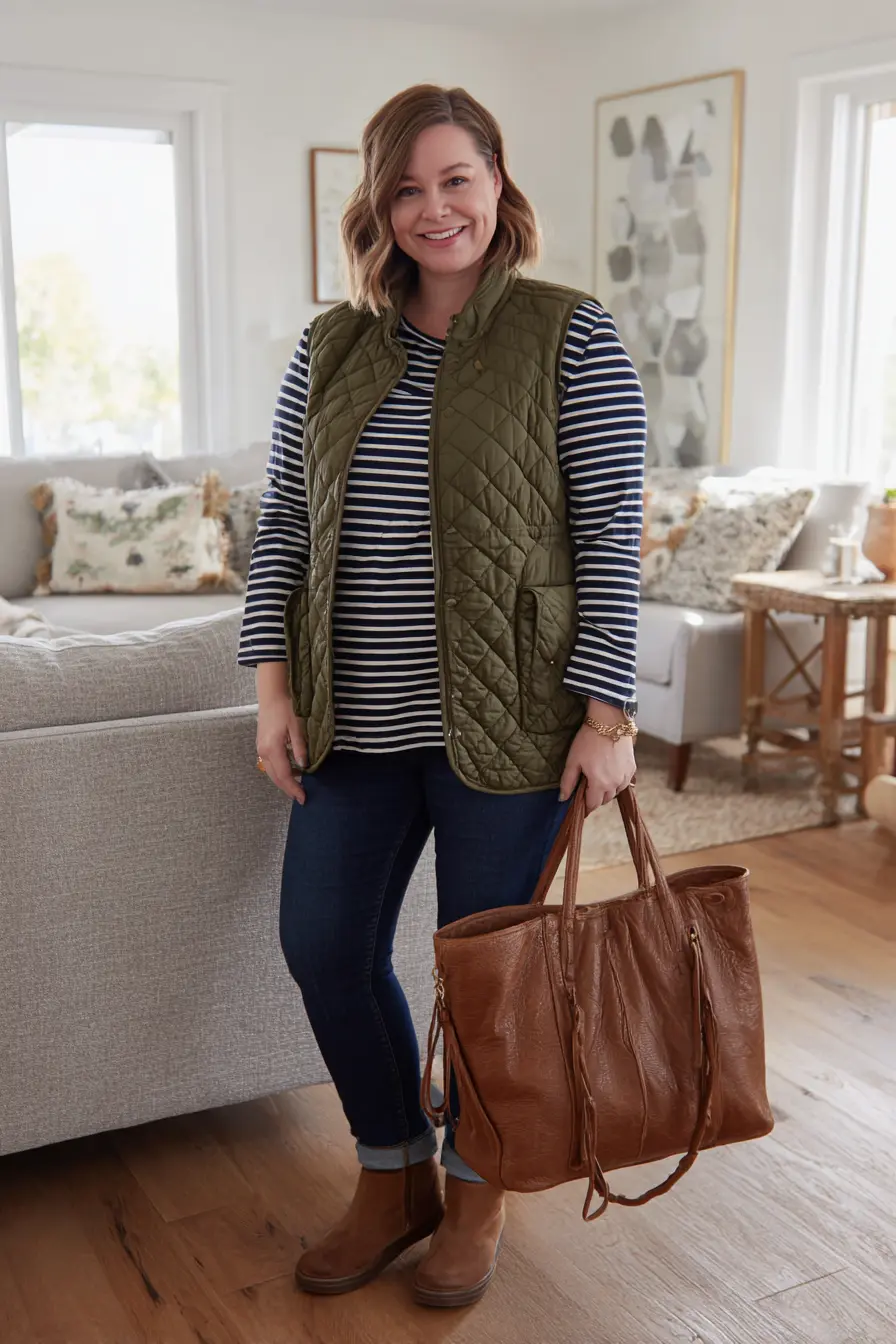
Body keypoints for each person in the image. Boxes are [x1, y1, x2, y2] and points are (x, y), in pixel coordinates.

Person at [237, 83, 645, 1310]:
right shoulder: (331, 346)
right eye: (406, 188)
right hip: (352, 719)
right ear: (378, 206)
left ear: (495, 180)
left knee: (491, 979)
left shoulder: (569, 333)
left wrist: (607, 718)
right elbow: (284, 524)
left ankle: (476, 1189)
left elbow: (609, 534)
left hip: (513, 724)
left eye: (454, 178)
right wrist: (271, 691)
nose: (434, 208)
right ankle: (391, 1172)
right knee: (322, 945)